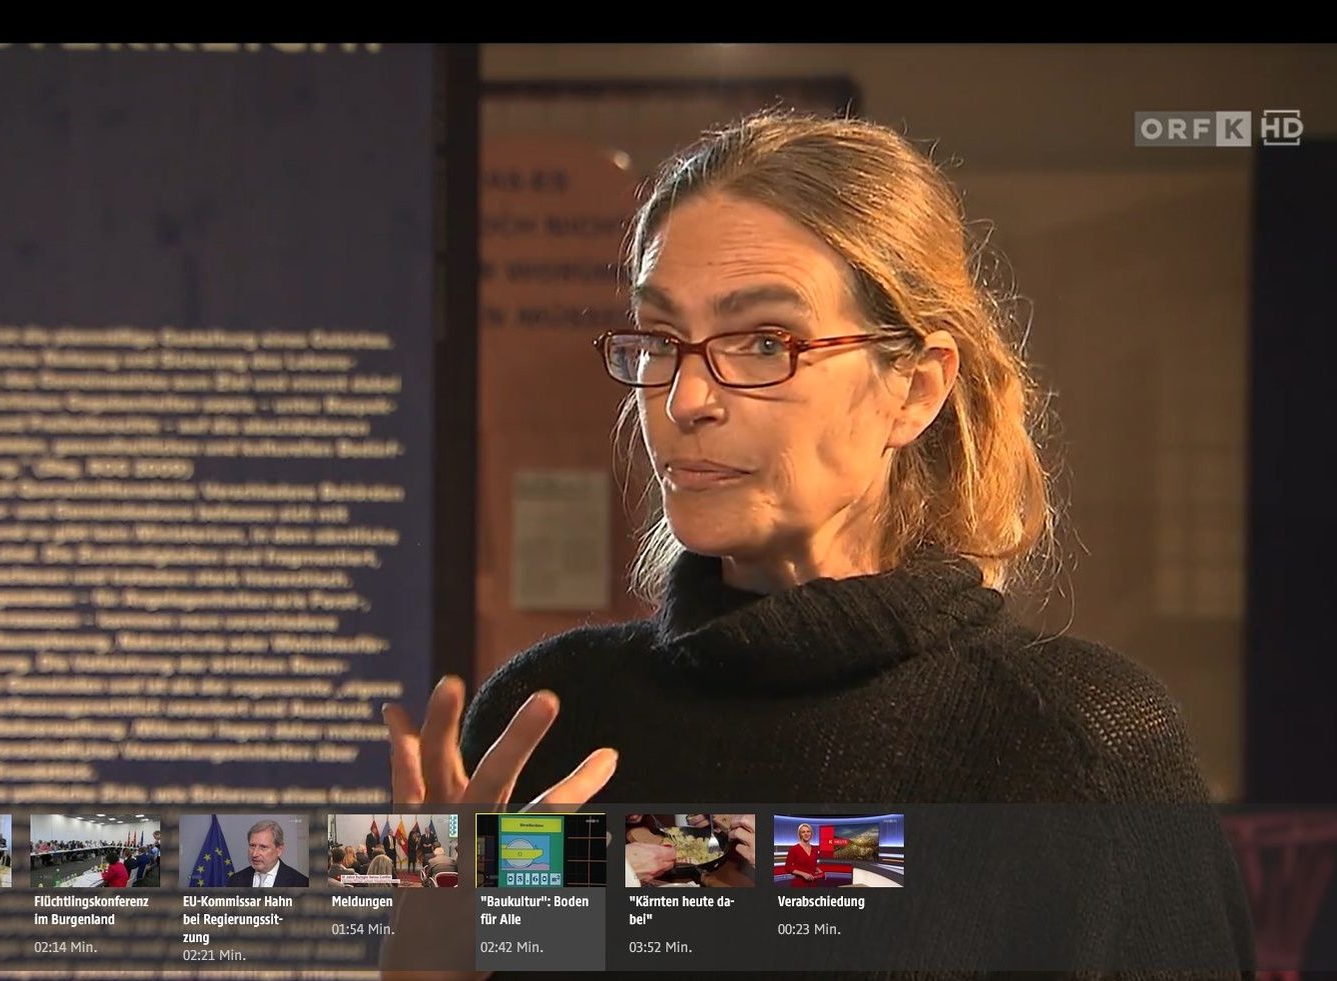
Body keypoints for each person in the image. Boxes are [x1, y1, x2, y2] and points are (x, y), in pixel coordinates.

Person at [383, 111, 1255, 973]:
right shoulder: (548, 720)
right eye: (661, 339)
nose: (686, 399)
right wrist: (423, 962)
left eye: (766, 342)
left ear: (915, 388)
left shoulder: (1078, 750)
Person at [225, 820, 308, 887]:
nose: (254, 854)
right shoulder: (235, 880)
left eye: (263, 847)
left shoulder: (301, 883)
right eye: (252, 846)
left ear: (279, 850)